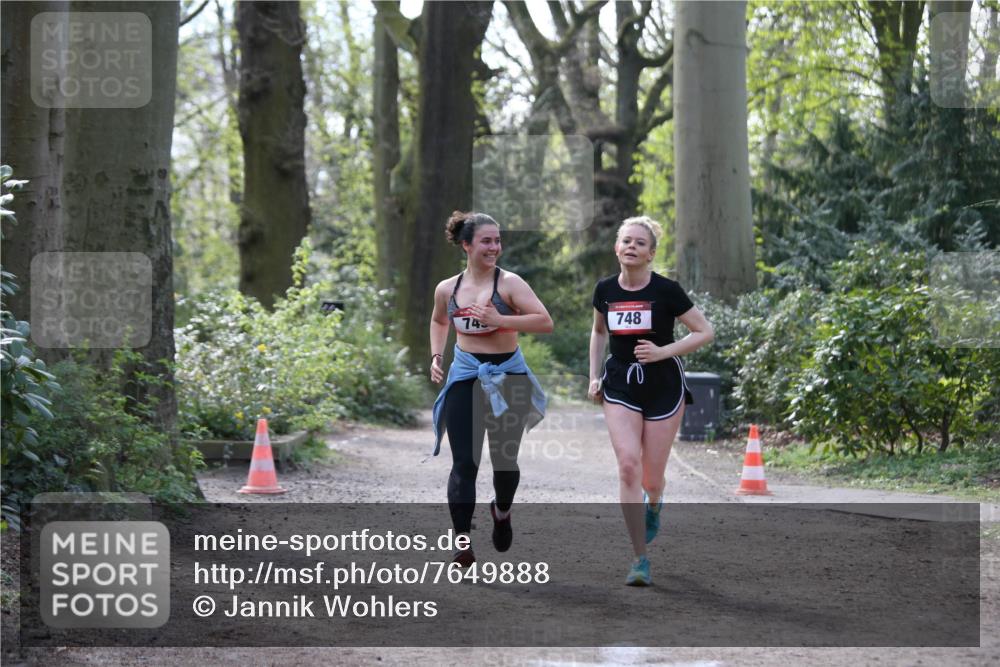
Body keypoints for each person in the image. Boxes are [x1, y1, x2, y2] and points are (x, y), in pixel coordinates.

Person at [588, 216, 714, 586]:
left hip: (663, 384)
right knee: (628, 465)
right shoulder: (605, 290)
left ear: (651, 253)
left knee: (651, 478)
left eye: (639, 243)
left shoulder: (666, 290)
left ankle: (654, 502)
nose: (631, 247)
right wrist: (595, 375)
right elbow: (598, 332)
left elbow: (705, 332)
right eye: (625, 241)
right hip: (621, 382)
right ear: (616, 248)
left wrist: (663, 352)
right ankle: (639, 557)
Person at [429, 211, 553, 566]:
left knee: (504, 463)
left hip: (507, 378)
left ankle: (501, 510)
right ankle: (462, 542)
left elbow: (545, 322)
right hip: (465, 377)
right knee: (464, 464)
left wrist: (502, 320)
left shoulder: (510, 284)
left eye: (497, 240)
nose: (494, 247)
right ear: (466, 245)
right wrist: (437, 354)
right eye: (486, 241)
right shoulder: (447, 289)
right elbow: (440, 319)